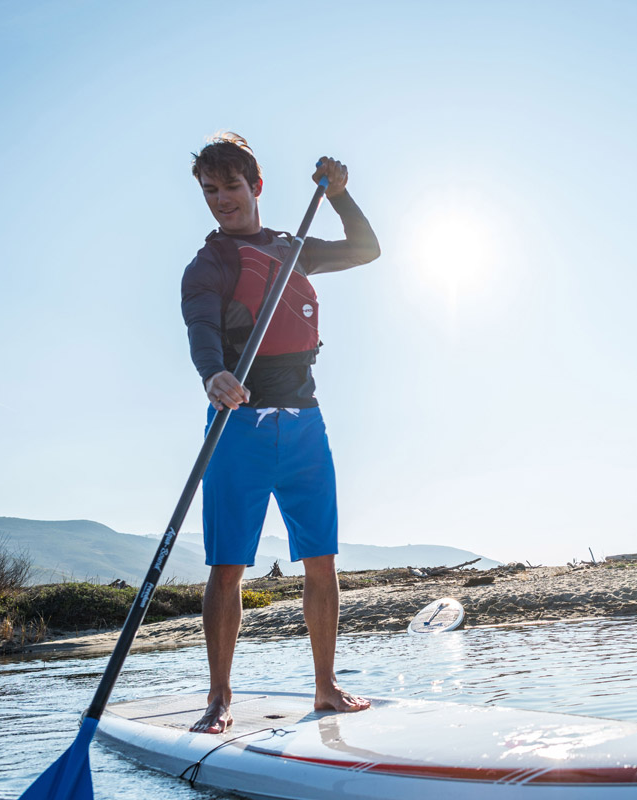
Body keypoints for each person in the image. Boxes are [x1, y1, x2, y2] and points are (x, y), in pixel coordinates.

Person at [180, 133, 380, 733]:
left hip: (304, 428)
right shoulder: (208, 263)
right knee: (228, 566)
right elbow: (200, 326)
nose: (222, 200)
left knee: (321, 561)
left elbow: (366, 249)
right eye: (210, 191)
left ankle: (325, 688)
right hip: (236, 427)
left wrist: (341, 196)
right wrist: (213, 372)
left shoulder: (293, 249)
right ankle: (219, 698)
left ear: (256, 186)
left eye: (232, 187)